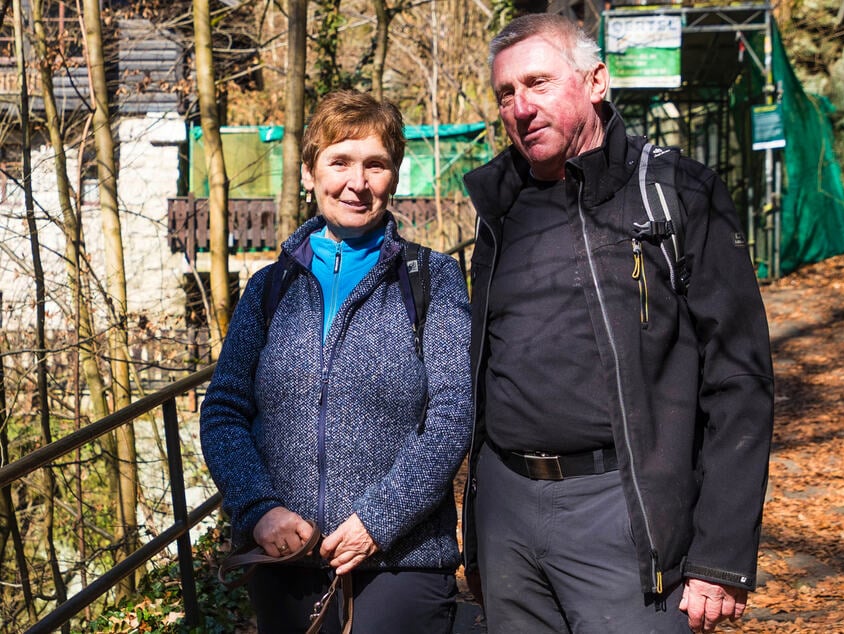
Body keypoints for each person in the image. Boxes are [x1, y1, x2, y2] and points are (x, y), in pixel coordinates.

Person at [461, 14, 774, 634]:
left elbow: (740, 378)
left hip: (628, 513)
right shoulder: (497, 205)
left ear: (595, 81)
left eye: (539, 83)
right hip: (508, 515)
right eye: (506, 93)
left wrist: (720, 555)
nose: (521, 107)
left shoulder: (676, 192)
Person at [200, 90, 472, 634]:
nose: (357, 182)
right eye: (340, 161)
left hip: (402, 566)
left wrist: (377, 519)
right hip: (286, 564)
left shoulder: (431, 280)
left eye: (376, 164)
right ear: (308, 173)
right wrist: (259, 510)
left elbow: (452, 418)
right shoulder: (268, 289)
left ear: (394, 177)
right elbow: (224, 411)